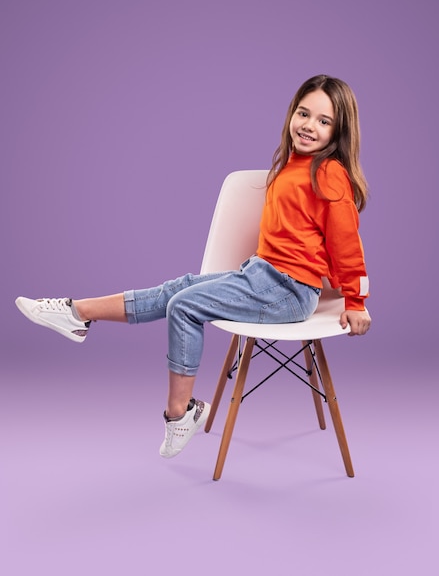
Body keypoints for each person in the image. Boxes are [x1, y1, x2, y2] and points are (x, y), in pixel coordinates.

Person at [15, 74, 371, 459]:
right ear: (291, 113)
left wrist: (355, 299)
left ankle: (179, 414)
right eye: (304, 113)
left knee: (183, 305)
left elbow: (346, 244)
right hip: (262, 274)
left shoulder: (329, 174)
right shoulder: (292, 163)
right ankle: (76, 313)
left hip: (287, 290)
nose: (309, 125)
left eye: (323, 121)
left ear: (339, 131)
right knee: (178, 288)